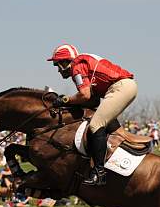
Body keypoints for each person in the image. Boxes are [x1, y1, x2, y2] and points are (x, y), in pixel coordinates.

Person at [47, 43, 137, 186]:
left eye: (58, 65)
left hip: (120, 88)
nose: (58, 70)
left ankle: (99, 173)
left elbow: (84, 94)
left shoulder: (77, 66)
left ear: (66, 62)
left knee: (96, 125)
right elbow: (92, 100)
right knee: (100, 121)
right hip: (123, 87)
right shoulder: (81, 64)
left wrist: (65, 99)